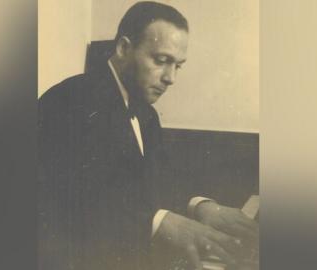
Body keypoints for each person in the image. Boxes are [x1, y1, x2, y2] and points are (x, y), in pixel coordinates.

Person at [38, 2, 258, 270]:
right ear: (123, 48)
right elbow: (71, 204)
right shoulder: (69, 100)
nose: (171, 78)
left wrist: (200, 206)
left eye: (178, 65)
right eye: (162, 61)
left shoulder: (147, 114)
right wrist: (160, 222)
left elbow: (159, 179)